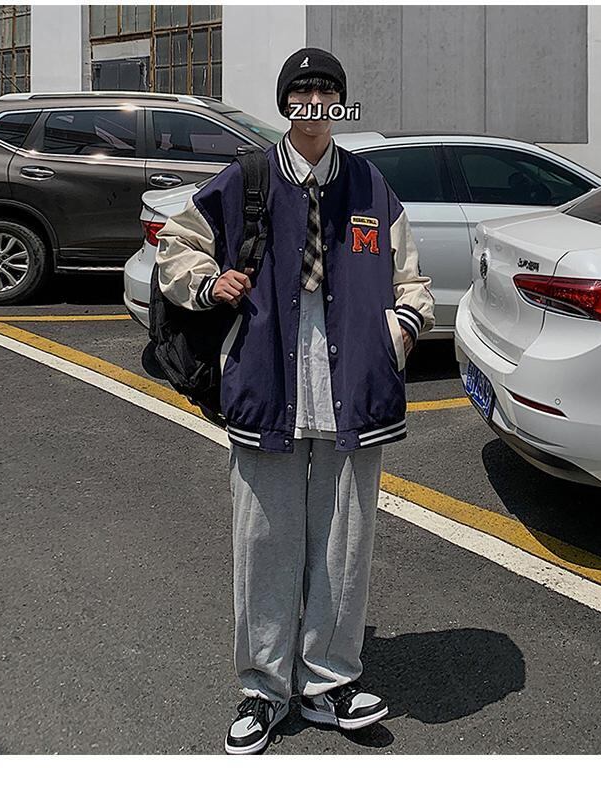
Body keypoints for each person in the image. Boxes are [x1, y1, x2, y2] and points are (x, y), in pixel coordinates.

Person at [155, 47, 434, 754]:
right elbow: (176, 246)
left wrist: (398, 332)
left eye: (326, 91)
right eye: (302, 90)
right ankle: (263, 686)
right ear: (286, 104)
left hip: (354, 394)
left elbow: (412, 281)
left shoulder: (370, 186)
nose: (314, 101)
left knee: (344, 545)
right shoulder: (248, 179)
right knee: (263, 544)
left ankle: (329, 681)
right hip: (266, 385)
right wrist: (208, 282)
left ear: (339, 105)